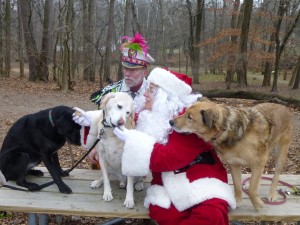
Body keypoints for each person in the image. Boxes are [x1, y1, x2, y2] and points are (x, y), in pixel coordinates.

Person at [113, 67, 236, 225]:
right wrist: (94, 136)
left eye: (150, 90)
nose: (145, 94)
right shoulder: (146, 116)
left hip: (200, 178)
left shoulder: (189, 119)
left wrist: (134, 140)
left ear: (165, 97)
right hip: (165, 184)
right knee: (166, 214)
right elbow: (111, 119)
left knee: (210, 214)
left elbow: (168, 158)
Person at [87, 32, 155, 166]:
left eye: (133, 70)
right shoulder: (111, 92)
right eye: (125, 69)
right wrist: (94, 145)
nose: (127, 73)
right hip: (114, 152)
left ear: (144, 72)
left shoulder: (154, 93)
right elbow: (101, 119)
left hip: (145, 154)